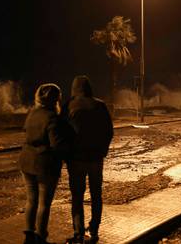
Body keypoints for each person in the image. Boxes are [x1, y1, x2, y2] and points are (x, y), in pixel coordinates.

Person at [63, 75, 113, 244]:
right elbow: (109, 131)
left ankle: (78, 233)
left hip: (76, 160)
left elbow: (63, 133)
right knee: (96, 194)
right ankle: (94, 230)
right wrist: (103, 151)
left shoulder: (69, 106)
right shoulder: (100, 105)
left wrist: (67, 155)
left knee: (77, 196)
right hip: (96, 159)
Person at [19, 83, 69, 244]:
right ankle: (41, 237)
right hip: (44, 165)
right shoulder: (52, 117)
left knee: (31, 200)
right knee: (44, 203)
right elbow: (57, 145)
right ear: (56, 99)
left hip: (26, 162)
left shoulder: (32, 114)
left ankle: (28, 236)